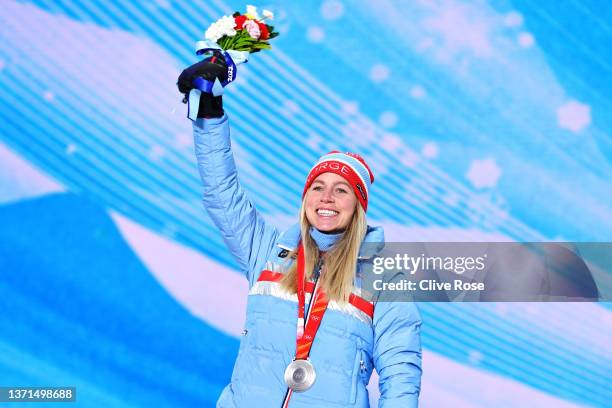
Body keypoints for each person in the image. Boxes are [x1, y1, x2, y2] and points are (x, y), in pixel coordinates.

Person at [178, 51, 422, 408]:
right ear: (306, 197)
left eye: (341, 190)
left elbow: (401, 373)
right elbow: (221, 192)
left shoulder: (384, 279)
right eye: (317, 187)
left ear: (358, 207)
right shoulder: (266, 250)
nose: (327, 198)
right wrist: (210, 114)